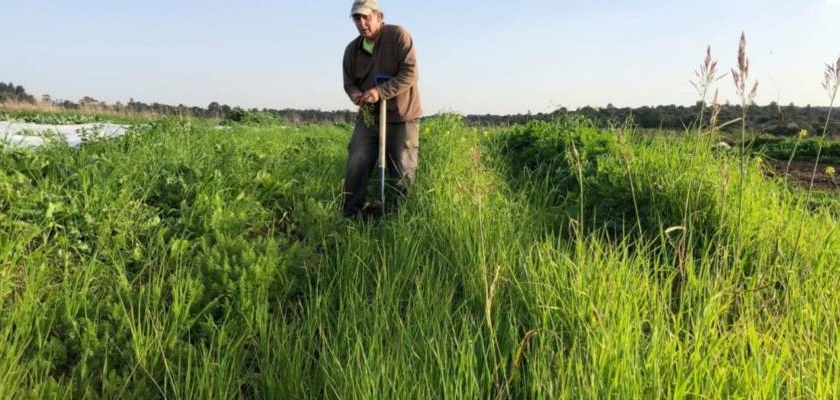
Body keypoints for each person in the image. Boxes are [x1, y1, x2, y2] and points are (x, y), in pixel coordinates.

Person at [342, 0, 422, 218]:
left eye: (366, 17)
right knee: (356, 162)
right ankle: (351, 217)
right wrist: (356, 94)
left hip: (402, 115)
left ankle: (399, 219)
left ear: (378, 16)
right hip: (369, 118)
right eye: (357, 18)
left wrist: (379, 92)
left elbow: (410, 73)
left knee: (402, 172)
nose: (361, 23)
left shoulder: (397, 36)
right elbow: (349, 83)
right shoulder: (352, 50)